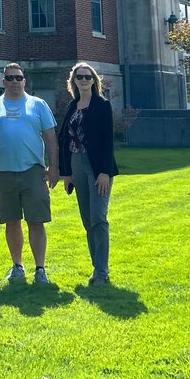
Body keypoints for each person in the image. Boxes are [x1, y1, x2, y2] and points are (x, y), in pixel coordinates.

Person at [0, 64, 59, 284]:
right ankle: (17, 265)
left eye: (18, 78)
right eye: (10, 78)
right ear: (3, 82)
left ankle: (40, 268)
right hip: (1, 174)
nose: (14, 81)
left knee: (36, 221)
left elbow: (51, 139)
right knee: (11, 222)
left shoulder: (38, 105)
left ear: (24, 81)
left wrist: (54, 167)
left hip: (33, 172)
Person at [57, 63, 118, 285]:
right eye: (79, 77)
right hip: (76, 165)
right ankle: (96, 268)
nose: (83, 80)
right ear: (73, 81)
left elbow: (108, 141)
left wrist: (104, 172)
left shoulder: (102, 105)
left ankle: (102, 271)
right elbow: (64, 139)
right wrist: (67, 173)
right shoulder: (73, 106)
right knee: (86, 219)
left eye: (87, 76)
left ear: (94, 80)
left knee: (98, 217)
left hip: (97, 166)